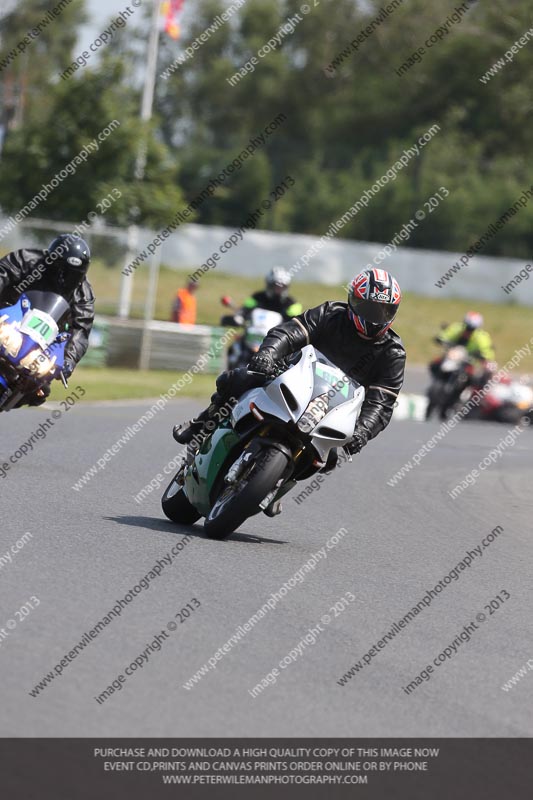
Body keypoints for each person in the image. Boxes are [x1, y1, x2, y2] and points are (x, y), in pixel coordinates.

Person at [176, 267, 405, 468]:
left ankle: (278, 480)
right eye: (369, 309)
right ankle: (201, 426)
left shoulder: (392, 353)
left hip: (335, 408)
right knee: (241, 377)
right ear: (354, 301)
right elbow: (289, 332)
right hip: (295, 375)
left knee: (333, 459)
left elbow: (382, 402)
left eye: (383, 312)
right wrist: (268, 354)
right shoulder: (330, 314)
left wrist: (363, 430)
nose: (375, 318)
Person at [0, 233, 94, 405]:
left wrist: (69, 361)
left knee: (40, 390)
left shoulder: (83, 294)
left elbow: (81, 330)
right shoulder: (26, 260)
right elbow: (2, 273)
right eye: (60, 270)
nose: (64, 278)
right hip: (7, 318)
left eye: (72, 274)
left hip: (41, 341)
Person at [432, 311, 495, 388]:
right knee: (434, 364)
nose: (468, 331)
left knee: (484, 375)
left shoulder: (482, 337)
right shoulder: (456, 328)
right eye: (467, 327)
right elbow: (444, 335)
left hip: (469, 361)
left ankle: (475, 394)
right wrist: (440, 339)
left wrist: (484, 358)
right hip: (452, 356)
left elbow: (488, 353)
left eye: (471, 329)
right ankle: (437, 381)